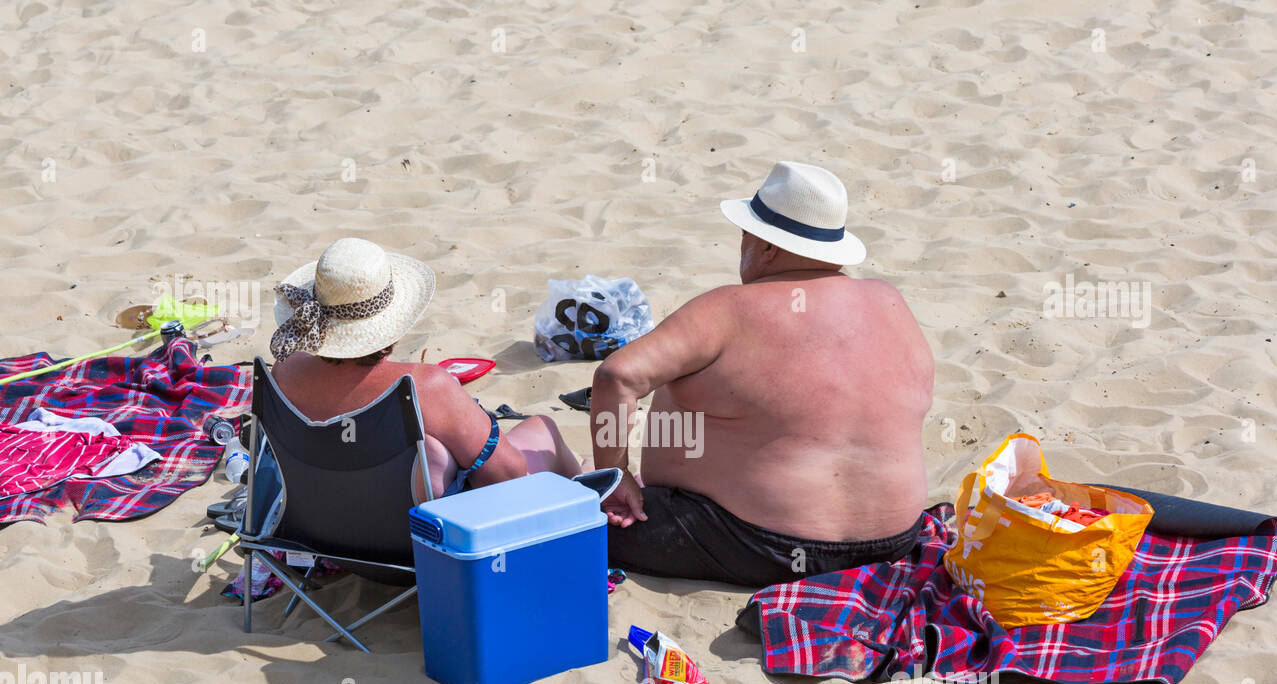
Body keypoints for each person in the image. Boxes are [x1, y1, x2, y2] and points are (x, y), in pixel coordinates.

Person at [590, 161, 934, 588]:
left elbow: (615, 377)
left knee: (573, 521)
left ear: (767, 248)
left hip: (759, 544)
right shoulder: (889, 302)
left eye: (744, 236)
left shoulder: (729, 308)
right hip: (892, 542)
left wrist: (615, 474)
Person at [269, 237, 581, 498]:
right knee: (544, 430)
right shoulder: (425, 386)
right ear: (392, 322)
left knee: (434, 450)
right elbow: (509, 475)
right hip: (419, 548)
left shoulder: (284, 373)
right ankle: (594, 514)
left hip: (320, 531)